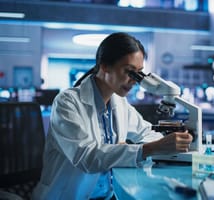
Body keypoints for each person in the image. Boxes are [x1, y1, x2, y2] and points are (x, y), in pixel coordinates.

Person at [32, 32, 193, 200]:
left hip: (109, 196)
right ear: (105, 66)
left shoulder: (120, 103)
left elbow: (148, 134)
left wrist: (152, 144)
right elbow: (87, 157)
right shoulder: (67, 102)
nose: (134, 80)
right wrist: (148, 148)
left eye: (139, 73)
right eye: (129, 72)